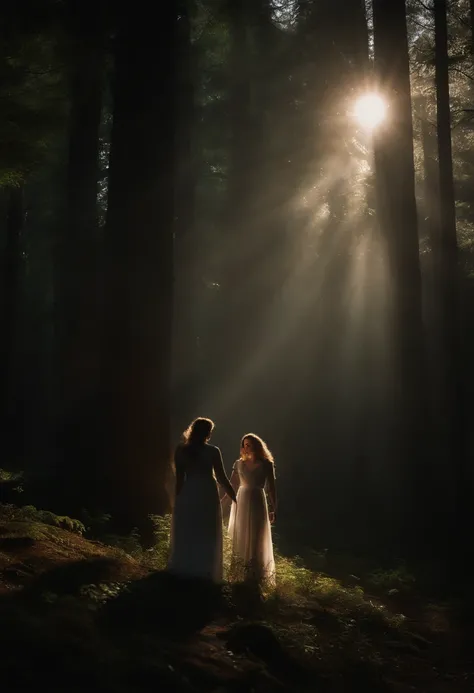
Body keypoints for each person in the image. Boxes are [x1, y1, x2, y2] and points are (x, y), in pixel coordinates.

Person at [168, 417, 236, 583]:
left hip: (189, 491)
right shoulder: (213, 451)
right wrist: (234, 496)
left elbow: (179, 479)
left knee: (189, 527)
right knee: (206, 529)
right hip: (206, 492)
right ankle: (205, 569)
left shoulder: (181, 450)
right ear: (207, 432)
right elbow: (221, 477)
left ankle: (185, 566)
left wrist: (178, 500)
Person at [228, 433, 277, 585]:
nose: (247, 447)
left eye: (250, 444)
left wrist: (273, 508)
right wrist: (223, 501)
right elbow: (232, 485)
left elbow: (272, 488)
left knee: (257, 535)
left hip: (257, 499)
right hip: (241, 500)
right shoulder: (239, 464)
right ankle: (239, 574)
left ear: (257, 445)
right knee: (241, 533)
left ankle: (256, 576)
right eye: (245, 444)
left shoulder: (266, 464)